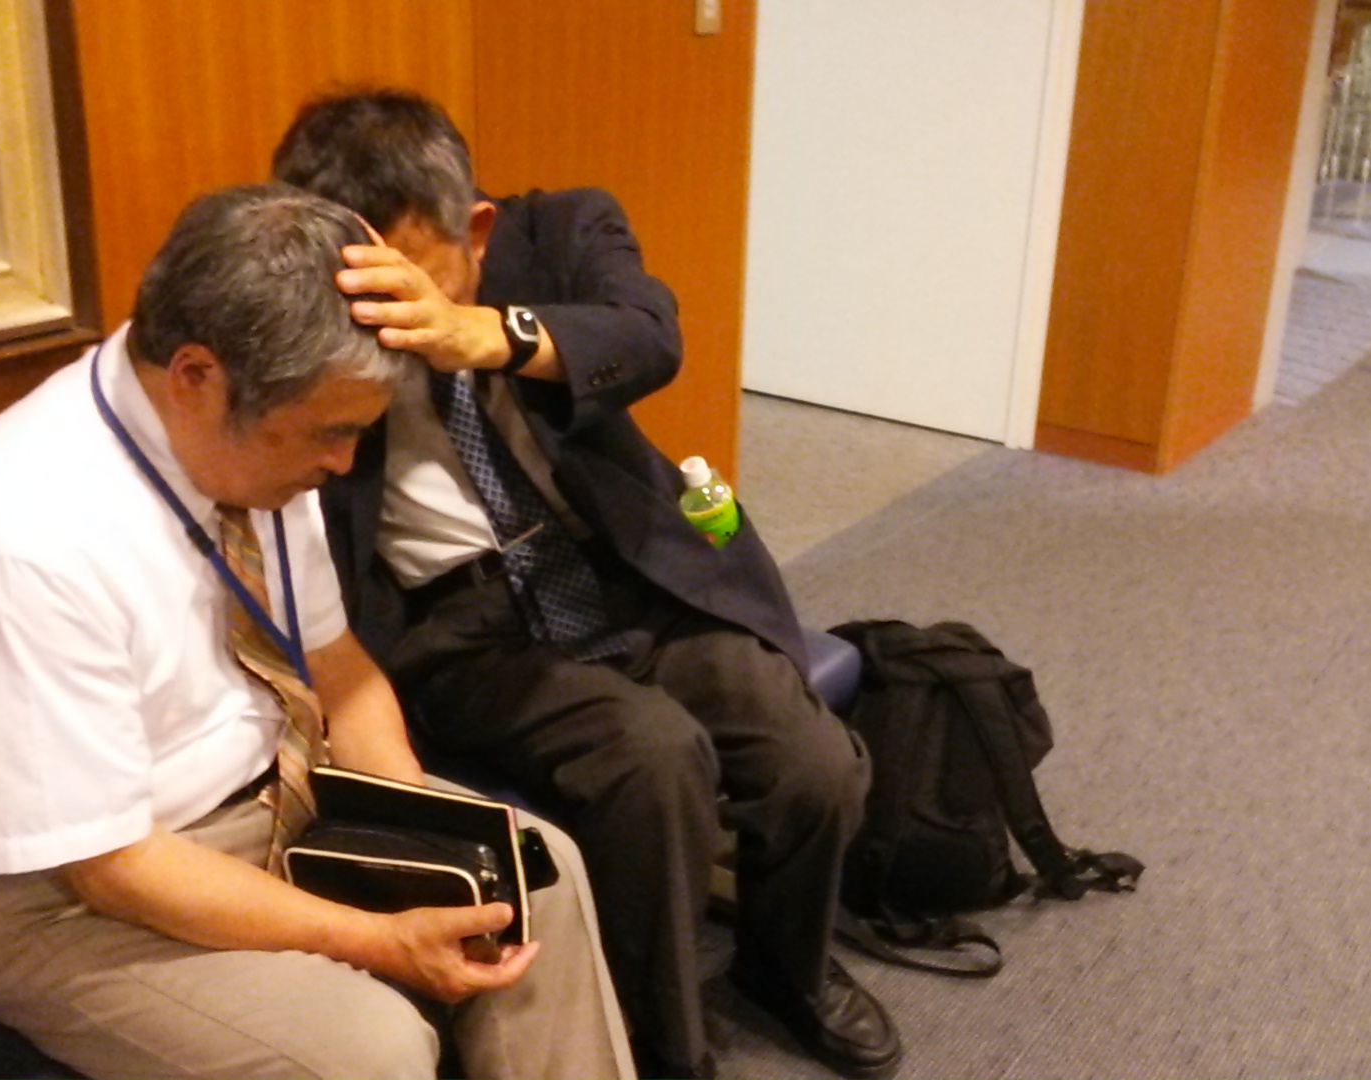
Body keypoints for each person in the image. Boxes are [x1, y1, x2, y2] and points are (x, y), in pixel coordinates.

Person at [0, 183, 633, 1080]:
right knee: (368, 1051)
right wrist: (377, 937)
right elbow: (111, 867)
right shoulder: (16, 534)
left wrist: (426, 834)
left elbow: (336, 668)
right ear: (197, 377)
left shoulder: (250, 449)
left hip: (279, 795)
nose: (342, 464)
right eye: (328, 432)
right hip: (66, 895)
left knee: (535, 876)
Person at [272, 90, 902, 1080]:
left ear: (476, 229)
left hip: (623, 569)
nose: (396, 320)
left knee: (812, 764)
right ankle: (664, 1043)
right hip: (458, 621)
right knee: (655, 763)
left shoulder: (561, 231)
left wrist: (483, 333)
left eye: (417, 281)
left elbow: (646, 334)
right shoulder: (310, 297)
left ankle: (790, 969)